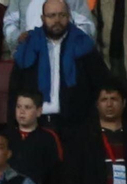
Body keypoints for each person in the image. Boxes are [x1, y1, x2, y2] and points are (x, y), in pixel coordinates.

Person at [9, 0, 108, 132]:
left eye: (62, 15)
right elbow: (15, 90)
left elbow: (101, 85)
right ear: (42, 18)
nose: (57, 20)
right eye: (51, 15)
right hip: (36, 126)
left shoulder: (84, 47)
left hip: (76, 126)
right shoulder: (28, 47)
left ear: (69, 17)